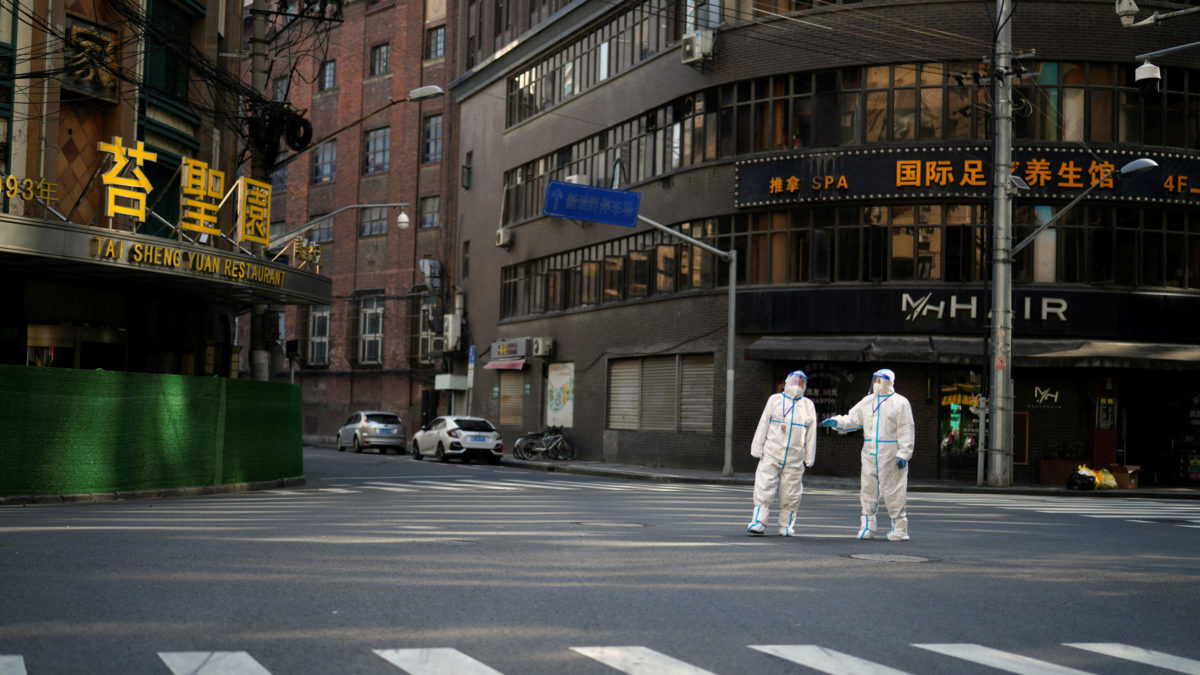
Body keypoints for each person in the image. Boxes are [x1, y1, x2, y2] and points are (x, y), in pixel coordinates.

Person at [820, 368, 915, 541]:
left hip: (891, 453)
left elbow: (906, 429)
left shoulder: (900, 403)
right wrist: (838, 422)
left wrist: (904, 453)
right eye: (875, 379)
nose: (877, 383)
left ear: (889, 381)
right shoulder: (867, 401)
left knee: (894, 490)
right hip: (869, 451)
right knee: (868, 489)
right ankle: (867, 526)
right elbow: (853, 419)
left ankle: (900, 528)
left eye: (880, 379)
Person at [746, 370, 818, 537]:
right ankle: (759, 521)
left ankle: (786, 525)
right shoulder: (775, 400)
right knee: (764, 485)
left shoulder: (808, 405)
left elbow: (811, 432)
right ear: (786, 382)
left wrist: (809, 456)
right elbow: (764, 422)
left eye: (801, 382)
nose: (797, 384)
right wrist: (757, 447)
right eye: (794, 380)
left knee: (791, 492)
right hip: (772, 451)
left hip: (795, 455)